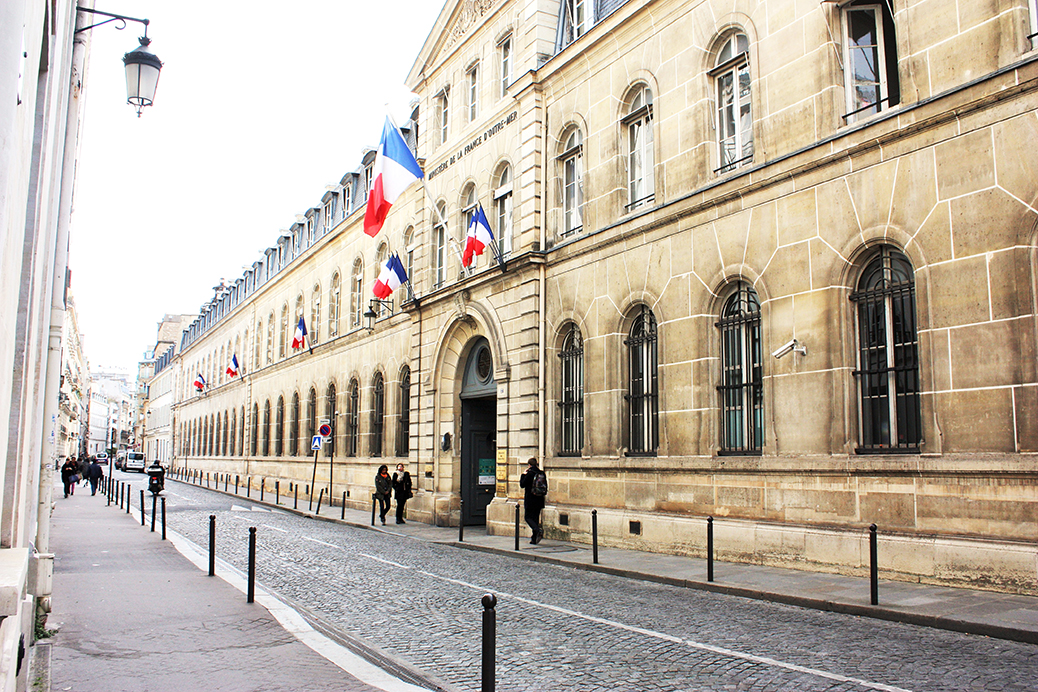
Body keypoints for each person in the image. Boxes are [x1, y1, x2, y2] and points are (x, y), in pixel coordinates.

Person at [519, 457, 547, 544]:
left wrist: (523, 475)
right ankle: (534, 539)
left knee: (527, 517)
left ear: (529, 465)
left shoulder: (529, 473)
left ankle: (537, 530)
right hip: (539, 499)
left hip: (530, 499)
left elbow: (522, 484)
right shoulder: (541, 473)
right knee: (535, 518)